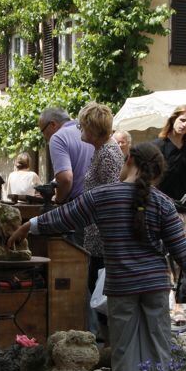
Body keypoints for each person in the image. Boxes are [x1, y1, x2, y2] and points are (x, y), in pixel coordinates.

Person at [8, 143, 186, 371]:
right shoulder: (163, 203)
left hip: (122, 287)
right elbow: (182, 251)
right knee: (159, 348)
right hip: (155, 286)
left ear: (129, 159)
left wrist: (28, 226)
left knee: (123, 351)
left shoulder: (103, 196)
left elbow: (64, 216)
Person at [78, 102, 125, 338]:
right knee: (97, 289)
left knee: (102, 292)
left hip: (104, 236)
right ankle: (107, 342)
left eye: (83, 126)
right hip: (96, 233)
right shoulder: (101, 150)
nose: (80, 131)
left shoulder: (108, 153)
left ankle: (109, 345)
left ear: (94, 129)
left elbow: (111, 195)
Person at [154, 105, 186, 324]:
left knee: (179, 256)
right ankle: (170, 301)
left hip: (182, 209)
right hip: (161, 207)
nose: (184, 124)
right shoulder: (159, 145)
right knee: (163, 256)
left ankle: (177, 302)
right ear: (173, 120)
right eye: (182, 119)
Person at [39, 106, 93, 205]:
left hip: (78, 205)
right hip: (99, 202)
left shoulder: (58, 137)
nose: (44, 136)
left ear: (53, 124)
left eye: (42, 131)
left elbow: (65, 179)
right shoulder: (88, 129)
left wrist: (58, 200)